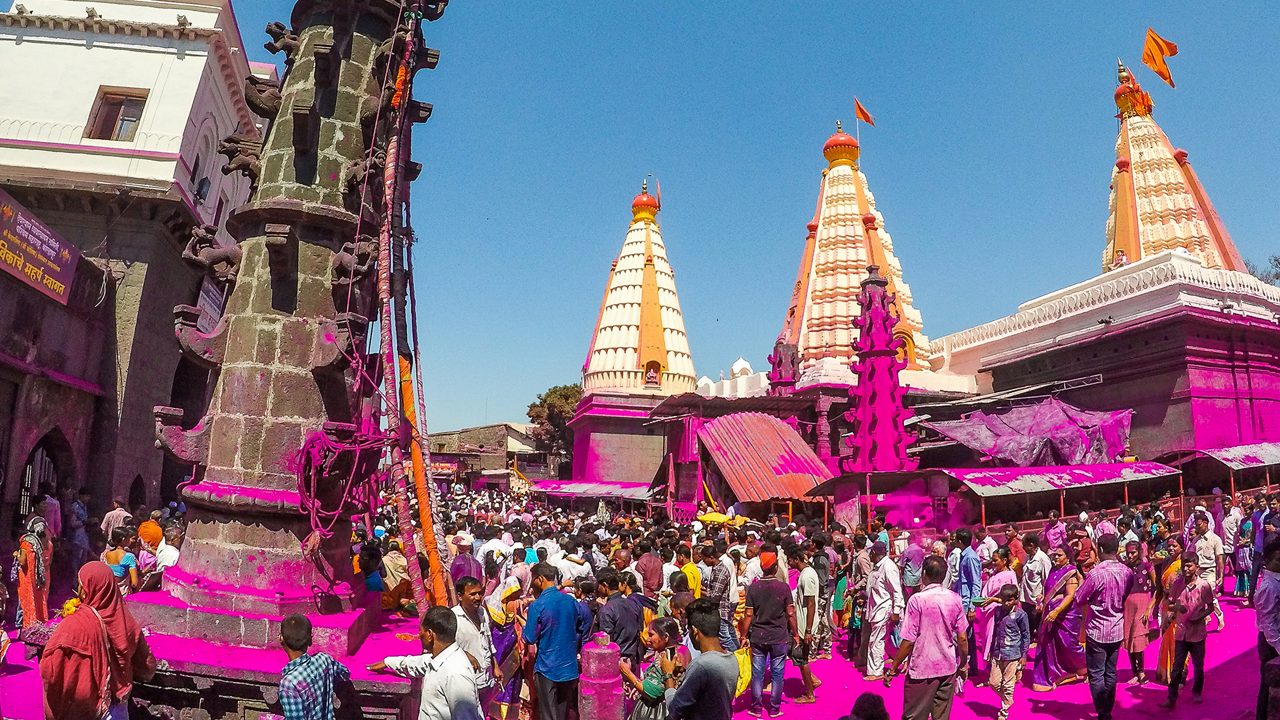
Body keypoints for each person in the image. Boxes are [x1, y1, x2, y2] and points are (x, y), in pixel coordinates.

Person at [40, 561, 157, 720]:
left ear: (88, 587)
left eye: (81, 584)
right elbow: (146, 663)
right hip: (119, 706)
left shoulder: (74, 625)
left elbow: (50, 668)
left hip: (89, 707)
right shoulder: (126, 621)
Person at [886, 555, 969, 720]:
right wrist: (963, 664)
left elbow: (909, 640)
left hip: (922, 669)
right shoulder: (955, 599)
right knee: (941, 716)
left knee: (914, 716)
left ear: (923, 573)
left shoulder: (917, 600)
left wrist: (893, 667)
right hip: (947, 667)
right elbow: (962, 638)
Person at [370, 606, 483, 720]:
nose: (419, 636)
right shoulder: (439, 659)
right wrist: (388, 662)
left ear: (430, 634)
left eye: (421, 631)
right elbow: (417, 663)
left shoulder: (456, 674)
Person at [522, 562, 592, 720]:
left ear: (539, 579)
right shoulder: (571, 601)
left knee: (548, 714)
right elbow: (584, 622)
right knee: (562, 713)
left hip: (547, 667)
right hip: (569, 666)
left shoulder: (537, 605)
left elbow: (530, 637)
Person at [1073, 534, 1133, 720]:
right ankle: (1107, 708)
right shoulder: (1127, 571)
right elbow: (1126, 594)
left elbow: (1078, 598)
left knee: (1097, 673)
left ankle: (1103, 711)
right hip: (1116, 628)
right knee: (1110, 671)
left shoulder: (1096, 574)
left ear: (1098, 549)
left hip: (1097, 629)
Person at [662, 597, 738, 720]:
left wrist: (668, 675)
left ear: (695, 631)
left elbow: (675, 709)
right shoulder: (731, 658)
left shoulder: (702, 665)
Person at [743, 547, 796, 717]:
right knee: (777, 673)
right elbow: (790, 613)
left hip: (758, 636)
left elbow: (748, 615)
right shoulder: (783, 588)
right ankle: (774, 708)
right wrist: (795, 633)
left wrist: (743, 635)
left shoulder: (754, 588)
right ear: (775, 568)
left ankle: (757, 708)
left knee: (757, 673)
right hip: (778, 636)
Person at [1158, 551, 1214, 709]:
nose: (1186, 569)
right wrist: (1173, 612)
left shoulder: (1204, 586)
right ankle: (1171, 698)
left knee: (1198, 665)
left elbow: (1211, 606)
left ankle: (1197, 691)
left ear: (1196, 567)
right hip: (1181, 632)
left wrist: (1200, 616)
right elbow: (1169, 604)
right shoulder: (1177, 584)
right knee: (1177, 667)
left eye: (1189, 566)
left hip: (1197, 634)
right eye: (1184, 566)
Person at [1029, 545, 1086, 691]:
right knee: (1049, 645)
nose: (1055, 557)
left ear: (1067, 557)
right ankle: (1052, 675)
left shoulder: (1071, 572)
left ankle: (1087, 665)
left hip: (1067, 616)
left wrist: (1057, 611)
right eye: (1054, 555)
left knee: (1068, 644)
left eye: (1059, 555)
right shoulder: (1053, 570)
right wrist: (1041, 599)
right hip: (1050, 614)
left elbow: (1070, 595)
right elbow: (1048, 589)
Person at [277, 614, 350, 720]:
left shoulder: (289, 684)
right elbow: (345, 673)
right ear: (310, 640)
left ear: (281, 638)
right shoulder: (324, 659)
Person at [619, 617, 685, 720]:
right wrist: (638, 686)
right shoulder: (671, 653)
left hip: (656, 713)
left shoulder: (667, 659)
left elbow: (652, 692)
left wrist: (627, 673)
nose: (648, 639)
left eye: (651, 635)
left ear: (665, 637)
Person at [452, 576, 501, 708]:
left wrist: (495, 666)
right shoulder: (453, 618)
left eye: (480, 593)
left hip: (486, 679)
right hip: (467, 683)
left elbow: (488, 640)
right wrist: (466, 655)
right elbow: (447, 648)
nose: (478, 597)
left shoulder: (482, 612)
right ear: (460, 596)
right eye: (473, 594)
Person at [484, 577, 526, 720]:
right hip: (508, 645)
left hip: (502, 644)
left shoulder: (491, 605)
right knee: (507, 680)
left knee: (506, 681)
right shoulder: (516, 603)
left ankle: (498, 711)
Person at [973, 547, 1016, 681]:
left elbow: (1013, 597)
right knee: (987, 642)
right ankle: (991, 674)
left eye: (995, 560)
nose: (993, 562)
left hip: (999, 614)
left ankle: (998, 675)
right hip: (987, 613)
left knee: (995, 643)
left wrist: (993, 600)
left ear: (1004, 560)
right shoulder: (994, 573)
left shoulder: (1010, 575)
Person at [987, 584, 1030, 720]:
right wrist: (990, 649)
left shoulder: (1021, 615)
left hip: (1013, 654)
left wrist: (1024, 656)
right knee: (993, 683)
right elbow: (995, 631)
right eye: (1004, 599)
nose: (1006, 603)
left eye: (1009, 600)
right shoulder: (998, 611)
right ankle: (1007, 700)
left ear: (1016, 599)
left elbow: (1026, 635)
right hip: (997, 652)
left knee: (1008, 684)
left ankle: (1004, 710)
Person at [1120, 539, 1156, 685]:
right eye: (1128, 553)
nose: (1130, 556)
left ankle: (1141, 672)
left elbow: (1156, 587)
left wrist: (1149, 608)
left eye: (1133, 553)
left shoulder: (1147, 566)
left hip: (1142, 604)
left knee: (1138, 639)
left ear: (1139, 552)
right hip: (1127, 606)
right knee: (1129, 639)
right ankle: (1134, 672)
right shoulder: (1124, 567)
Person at [598, 568, 646, 670]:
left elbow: (606, 642)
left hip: (616, 662)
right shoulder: (634, 604)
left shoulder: (607, 610)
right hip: (634, 660)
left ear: (605, 586)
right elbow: (640, 630)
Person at [790, 545, 820, 703]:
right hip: (803, 624)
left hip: (804, 625)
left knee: (802, 659)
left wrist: (808, 630)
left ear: (796, 559)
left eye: (790, 560)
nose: (789, 563)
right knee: (802, 657)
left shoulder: (807, 576)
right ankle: (812, 682)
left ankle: (809, 694)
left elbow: (811, 604)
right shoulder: (806, 573)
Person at [1254, 538, 1280, 720]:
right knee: (1267, 685)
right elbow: (1267, 622)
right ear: (1268, 562)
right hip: (1271, 642)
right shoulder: (1268, 587)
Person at [1154, 535, 1185, 685]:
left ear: (1182, 547)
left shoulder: (1184, 565)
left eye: (1175, 546)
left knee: (1177, 640)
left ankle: (1179, 674)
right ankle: (1168, 673)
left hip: (1178, 607)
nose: (1171, 548)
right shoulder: (1166, 563)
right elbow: (1159, 588)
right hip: (1166, 605)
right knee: (1167, 639)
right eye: (1169, 546)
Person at [1189, 511, 1226, 631]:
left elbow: (1220, 558)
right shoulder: (1196, 540)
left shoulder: (1215, 539)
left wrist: (1221, 575)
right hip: (1198, 572)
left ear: (1206, 523)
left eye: (1199, 525)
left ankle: (1219, 615)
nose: (1197, 527)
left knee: (1210, 597)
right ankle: (1205, 617)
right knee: (1197, 597)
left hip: (1210, 570)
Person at [953, 529, 982, 674]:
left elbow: (976, 583)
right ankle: (971, 667)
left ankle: (968, 666)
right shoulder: (965, 555)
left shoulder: (970, 557)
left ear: (959, 541)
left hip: (966, 603)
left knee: (963, 635)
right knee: (967, 635)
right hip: (962, 600)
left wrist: (972, 607)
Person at [16, 513, 53, 629]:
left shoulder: (27, 542)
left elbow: (22, 561)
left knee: (26, 600)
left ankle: (24, 625)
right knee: (39, 600)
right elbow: (49, 561)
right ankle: (37, 624)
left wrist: (16, 554)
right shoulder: (48, 543)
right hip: (42, 577)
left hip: (27, 576)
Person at [698, 544, 738, 651]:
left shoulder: (720, 571)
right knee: (730, 635)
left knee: (725, 638)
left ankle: (736, 658)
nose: (703, 562)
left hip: (720, 610)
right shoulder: (716, 569)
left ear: (711, 558)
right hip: (721, 609)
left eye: (704, 559)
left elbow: (715, 596)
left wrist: (701, 593)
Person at [1019, 534, 1051, 635]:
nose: (1023, 548)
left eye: (1024, 546)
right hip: (1025, 598)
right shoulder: (1027, 557)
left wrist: (1043, 599)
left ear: (1031, 545)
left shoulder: (1043, 559)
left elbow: (1047, 580)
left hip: (1035, 601)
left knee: (1037, 627)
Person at [103, 526, 140, 596]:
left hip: (108, 594)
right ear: (123, 539)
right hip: (123, 595)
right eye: (128, 538)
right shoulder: (129, 557)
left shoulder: (105, 555)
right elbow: (135, 583)